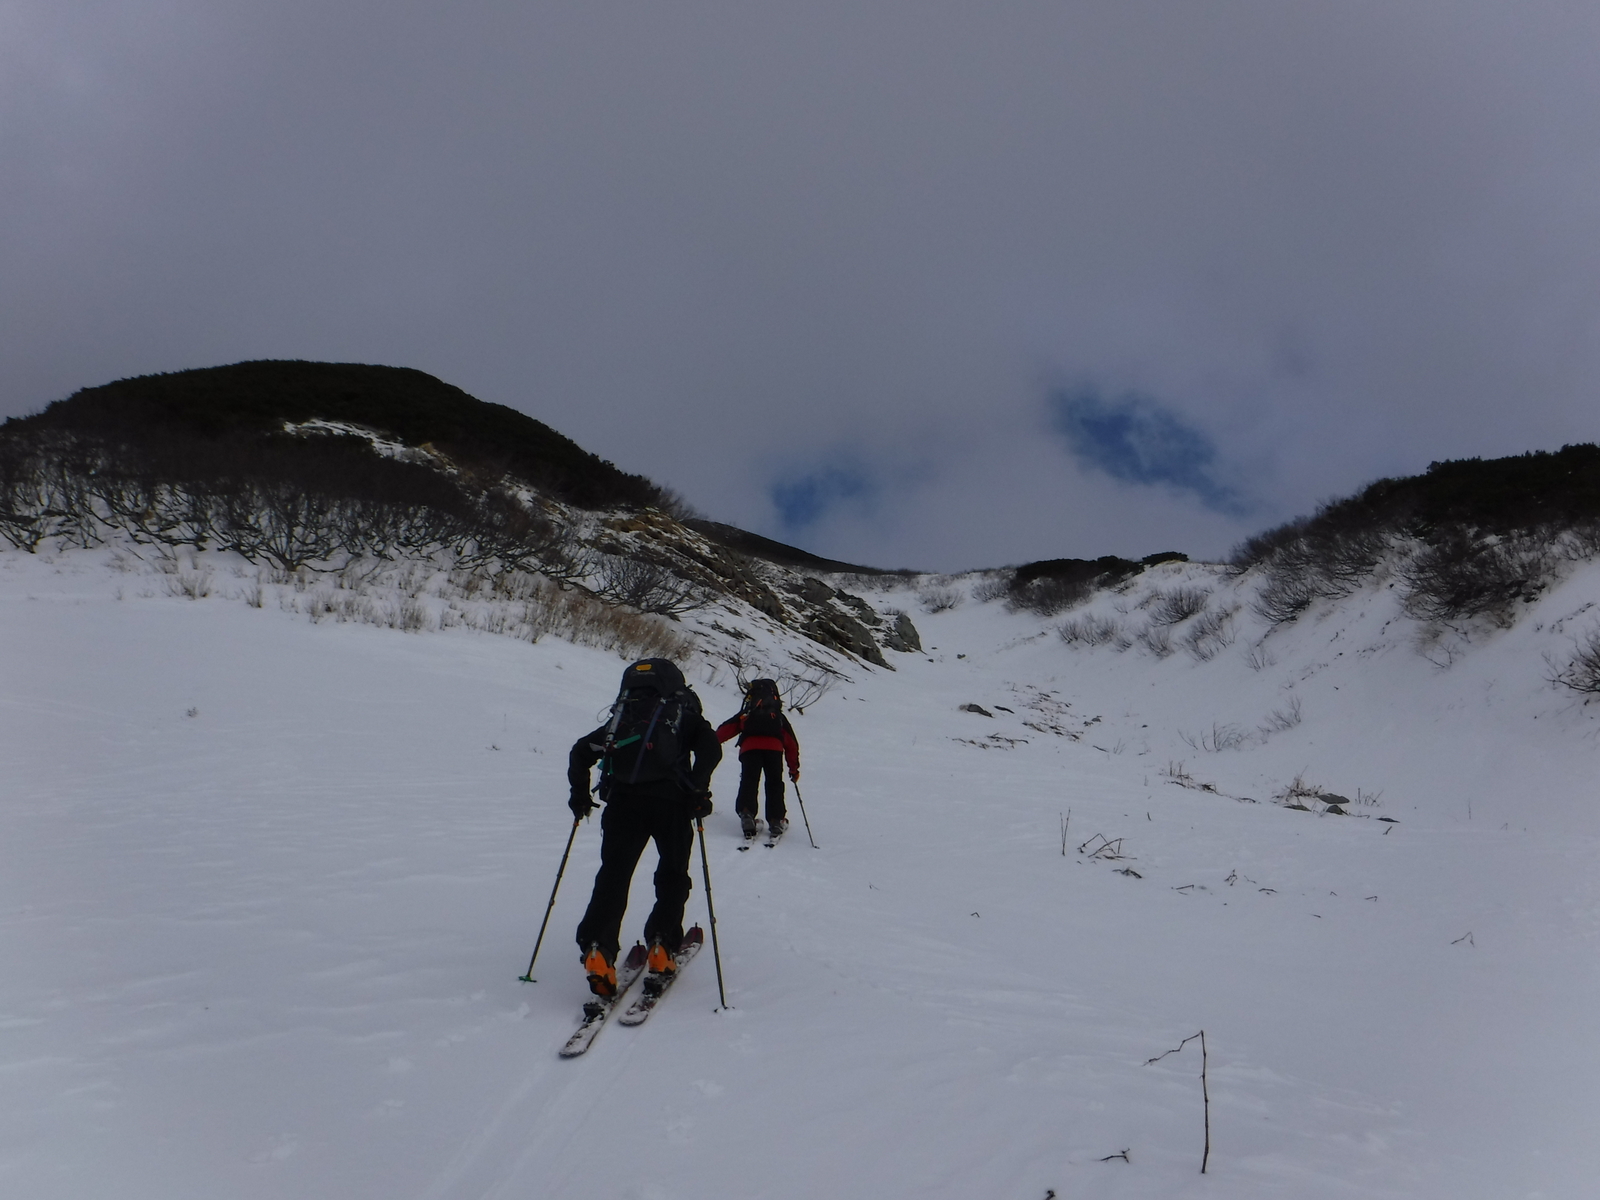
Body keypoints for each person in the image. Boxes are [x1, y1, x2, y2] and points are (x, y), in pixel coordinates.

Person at [567, 658, 722, 997]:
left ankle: (598, 950)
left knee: (613, 876)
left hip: (623, 803)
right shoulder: (684, 714)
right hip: (672, 804)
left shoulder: (623, 717)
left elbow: (581, 751)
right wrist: (698, 787)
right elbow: (711, 749)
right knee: (672, 874)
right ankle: (662, 947)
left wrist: (580, 797)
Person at [715, 678, 801, 840]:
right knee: (774, 783)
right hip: (774, 750)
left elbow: (724, 731)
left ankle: (747, 813)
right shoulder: (778, 716)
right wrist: (794, 769)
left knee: (749, 781)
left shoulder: (748, 712)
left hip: (749, 749)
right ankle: (776, 820)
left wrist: (708, 744)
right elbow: (791, 744)